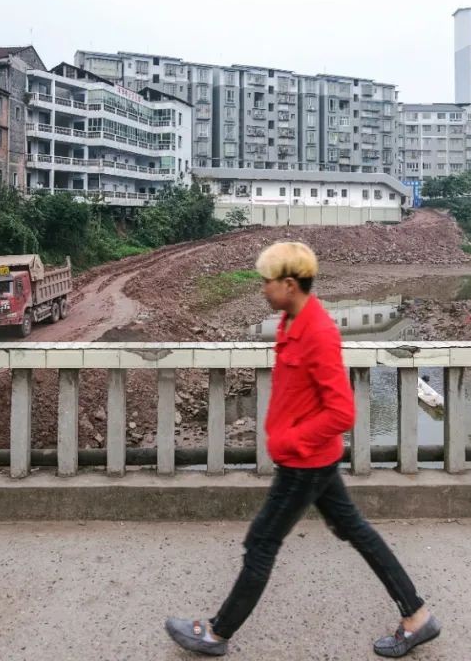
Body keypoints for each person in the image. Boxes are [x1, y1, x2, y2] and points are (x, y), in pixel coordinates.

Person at [166, 242, 440, 658]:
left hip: (304, 464)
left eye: (268, 282)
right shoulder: (290, 323)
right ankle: (417, 616)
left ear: (289, 285)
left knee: (261, 543)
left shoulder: (318, 332)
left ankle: (217, 633)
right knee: (358, 532)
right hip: (312, 460)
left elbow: (342, 412)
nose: (262, 289)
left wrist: (291, 441)